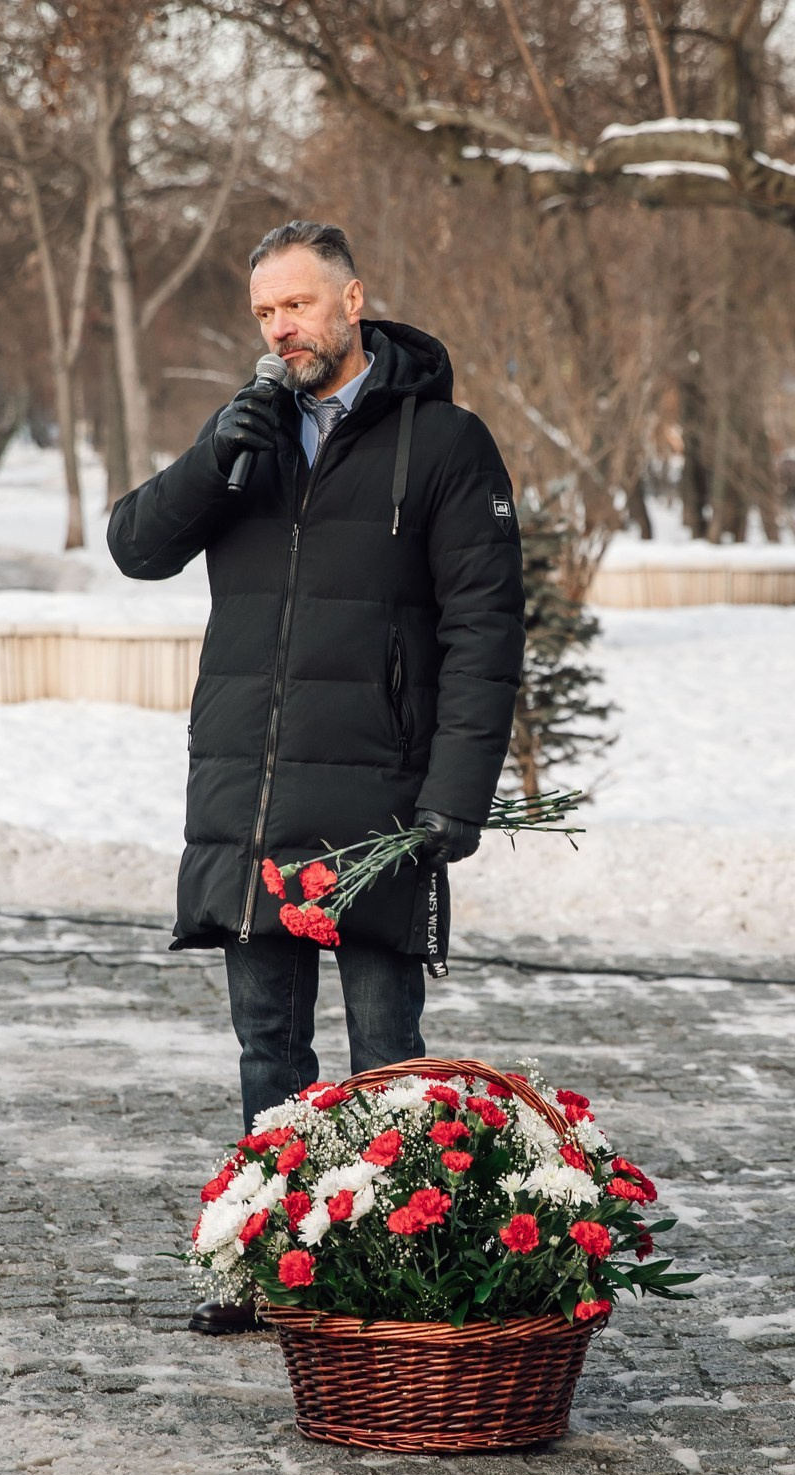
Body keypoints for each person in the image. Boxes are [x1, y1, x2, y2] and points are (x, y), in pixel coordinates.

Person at [107, 220, 526, 1337]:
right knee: (269, 1052)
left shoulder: (442, 444)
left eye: (297, 305)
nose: (280, 329)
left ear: (354, 301)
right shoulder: (245, 439)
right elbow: (137, 546)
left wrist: (455, 792)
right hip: (252, 797)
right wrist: (214, 453)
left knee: (387, 1059)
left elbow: (487, 630)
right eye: (263, 314)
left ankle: (390, 1261)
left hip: (380, 805)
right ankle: (275, 1259)